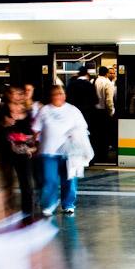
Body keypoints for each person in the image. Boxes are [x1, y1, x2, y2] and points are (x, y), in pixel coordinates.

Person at [33, 85, 89, 217]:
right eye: (55, 94)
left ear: (65, 95)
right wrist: (33, 142)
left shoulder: (73, 110)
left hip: (69, 153)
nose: (59, 96)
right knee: (49, 180)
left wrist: (75, 134)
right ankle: (48, 204)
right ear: (51, 96)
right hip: (48, 152)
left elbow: (83, 127)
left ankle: (68, 204)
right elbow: (36, 129)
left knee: (69, 180)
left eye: (61, 94)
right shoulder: (44, 110)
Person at [0, 84, 36, 217]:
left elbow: (30, 132)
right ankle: (9, 211)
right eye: (16, 92)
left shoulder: (27, 112)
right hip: (5, 154)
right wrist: (4, 125)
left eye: (20, 93)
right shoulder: (0, 112)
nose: (19, 95)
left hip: (22, 154)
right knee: (8, 185)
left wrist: (29, 140)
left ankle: (27, 214)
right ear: (9, 95)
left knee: (26, 185)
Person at [93, 66, 115, 162]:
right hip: (104, 112)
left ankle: (96, 155)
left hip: (95, 112)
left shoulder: (93, 82)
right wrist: (111, 112)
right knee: (105, 136)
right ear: (106, 74)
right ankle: (103, 156)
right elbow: (109, 100)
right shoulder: (108, 83)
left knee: (96, 136)